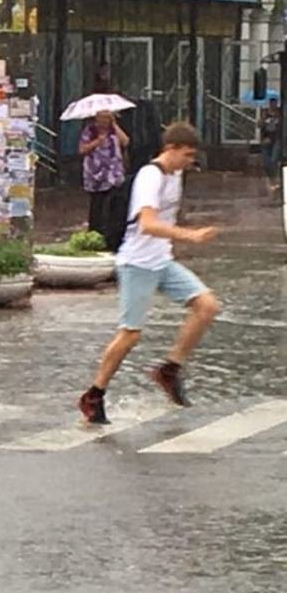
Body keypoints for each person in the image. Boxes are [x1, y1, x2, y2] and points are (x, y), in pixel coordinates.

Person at [78, 122, 220, 424]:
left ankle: (169, 370)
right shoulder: (149, 176)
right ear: (170, 149)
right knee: (131, 334)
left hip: (162, 261)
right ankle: (94, 393)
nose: (190, 161)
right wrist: (190, 236)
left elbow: (167, 219)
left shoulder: (177, 174)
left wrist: (178, 238)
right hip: (137, 262)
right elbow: (148, 224)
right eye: (187, 154)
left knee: (207, 306)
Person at [79, 109, 129, 245]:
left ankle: (110, 232)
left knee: (113, 203)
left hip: (113, 173)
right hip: (95, 173)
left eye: (108, 118)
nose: (105, 121)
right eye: (102, 118)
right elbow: (82, 149)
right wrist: (97, 142)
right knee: (97, 205)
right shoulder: (90, 131)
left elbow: (125, 141)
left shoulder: (113, 130)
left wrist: (115, 125)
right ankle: (95, 233)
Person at [259, 98, 281, 196]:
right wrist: (263, 119)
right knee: (266, 162)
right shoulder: (265, 114)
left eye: (275, 104)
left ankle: (275, 179)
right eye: (272, 104)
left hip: (276, 139)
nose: (273, 106)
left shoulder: (280, 114)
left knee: (274, 159)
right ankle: (271, 179)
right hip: (266, 140)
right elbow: (260, 125)